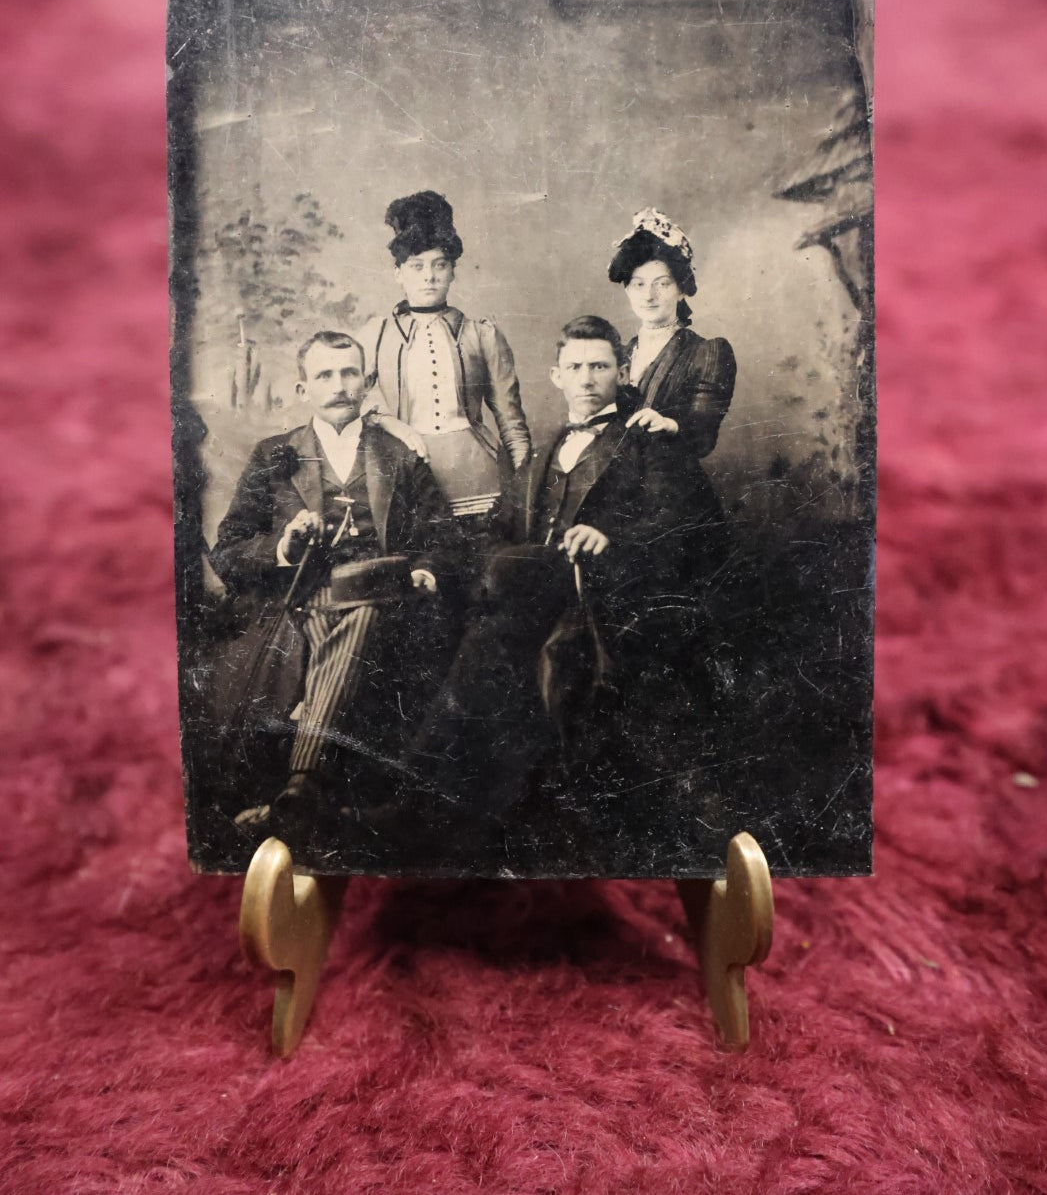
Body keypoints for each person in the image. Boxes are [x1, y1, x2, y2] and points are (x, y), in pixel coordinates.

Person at [414, 314, 725, 832]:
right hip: (534, 601)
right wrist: (431, 566)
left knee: (497, 613)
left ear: (623, 373)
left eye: (600, 366)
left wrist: (612, 538)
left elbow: (679, 524)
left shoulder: (648, 442)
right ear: (556, 375)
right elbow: (498, 528)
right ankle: (443, 806)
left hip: (606, 596)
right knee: (485, 599)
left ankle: (424, 805)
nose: (586, 378)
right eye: (575, 366)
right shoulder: (540, 455)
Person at [209, 330, 460, 835]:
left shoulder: (399, 454)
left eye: (349, 373)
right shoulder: (273, 455)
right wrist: (283, 547)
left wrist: (426, 569)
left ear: (367, 382)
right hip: (300, 598)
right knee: (348, 623)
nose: (339, 385)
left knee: (365, 610)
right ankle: (308, 796)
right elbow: (227, 550)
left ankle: (299, 783)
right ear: (303, 389)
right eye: (324, 374)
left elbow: (444, 536)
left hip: (384, 595)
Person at [359, 190, 531, 529]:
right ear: (398, 272)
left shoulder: (482, 334)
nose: (429, 277)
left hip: (478, 475)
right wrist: (386, 421)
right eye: (417, 266)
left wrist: (527, 487)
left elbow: (511, 421)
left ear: (453, 270)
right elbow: (351, 407)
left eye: (440, 265)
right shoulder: (375, 334)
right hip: (408, 475)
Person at [608, 207, 736, 460]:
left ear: (681, 290)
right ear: (628, 290)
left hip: (672, 490)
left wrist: (670, 425)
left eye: (662, 284)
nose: (649, 296)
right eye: (639, 284)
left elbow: (703, 437)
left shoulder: (707, 352)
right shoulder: (620, 354)